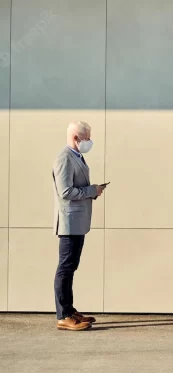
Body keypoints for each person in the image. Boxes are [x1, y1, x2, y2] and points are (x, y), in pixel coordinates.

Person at [52, 121, 105, 331]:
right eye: (87, 138)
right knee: (65, 268)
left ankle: (70, 310)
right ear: (76, 138)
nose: (89, 142)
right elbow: (65, 192)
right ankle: (63, 315)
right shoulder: (64, 157)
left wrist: (93, 190)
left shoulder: (77, 156)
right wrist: (91, 190)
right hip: (69, 222)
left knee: (71, 267)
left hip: (77, 222)